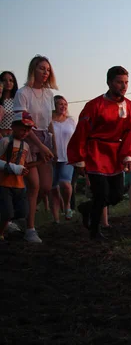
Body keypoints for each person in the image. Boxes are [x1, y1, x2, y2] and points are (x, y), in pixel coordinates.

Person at [67, 66, 131, 240]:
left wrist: (127, 155)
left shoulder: (129, 106)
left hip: (115, 155)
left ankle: (86, 209)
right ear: (109, 82)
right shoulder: (94, 105)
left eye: (126, 82)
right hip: (96, 153)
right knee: (101, 194)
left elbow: (130, 132)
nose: (124, 86)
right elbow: (82, 131)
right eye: (120, 82)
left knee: (117, 195)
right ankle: (94, 231)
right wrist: (80, 158)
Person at [14, 55, 58, 243]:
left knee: (46, 187)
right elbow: (22, 123)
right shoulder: (23, 93)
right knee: (34, 185)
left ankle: (22, 214)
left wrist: (53, 146)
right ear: (33, 70)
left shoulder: (49, 95)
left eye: (48, 69)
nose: (45, 72)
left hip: (44, 141)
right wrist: (38, 144)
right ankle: (30, 229)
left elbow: (49, 123)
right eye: (41, 68)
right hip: (27, 139)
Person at [0, 111, 33, 242]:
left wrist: (42, 161)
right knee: (7, 213)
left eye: (28, 130)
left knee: (22, 212)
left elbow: (26, 163)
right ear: (13, 127)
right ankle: (1, 233)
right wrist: (13, 168)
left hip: (19, 184)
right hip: (4, 183)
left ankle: (8, 226)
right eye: (23, 129)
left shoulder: (26, 145)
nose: (25, 132)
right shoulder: (5, 142)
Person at [49, 95, 76, 222]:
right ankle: (56, 219)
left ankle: (67, 204)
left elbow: (75, 138)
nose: (63, 106)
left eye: (65, 104)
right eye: (60, 104)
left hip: (67, 157)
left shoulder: (70, 121)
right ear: (53, 106)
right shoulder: (48, 121)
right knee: (53, 188)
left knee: (65, 183)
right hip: (51, 157)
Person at [0, 71, 19, 137]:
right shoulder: (1, 102)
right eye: (4, 80)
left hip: (15, 136)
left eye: (11, 80)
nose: (8, 83)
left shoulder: (18, 100)